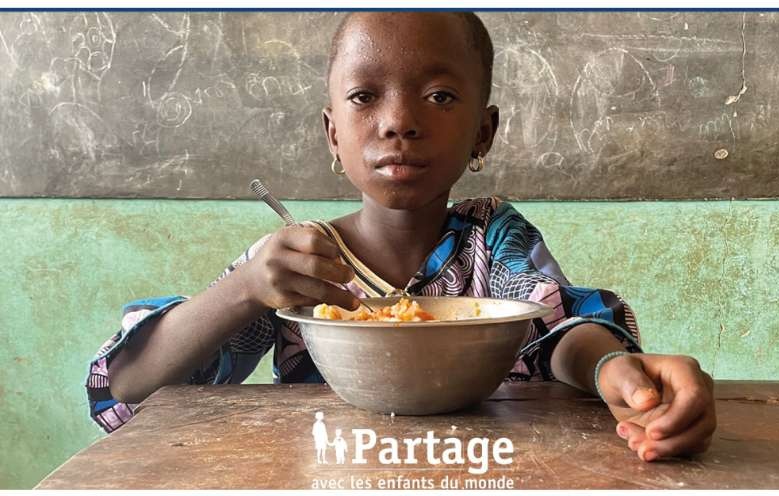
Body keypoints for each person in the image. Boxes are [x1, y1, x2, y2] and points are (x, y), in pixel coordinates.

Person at [85, 12, 715, 463]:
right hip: (324, 472)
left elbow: (555, 330)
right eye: (365, 97)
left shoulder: (490, 236)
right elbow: (127, 390)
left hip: (486, 470)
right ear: (333, 135)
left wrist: (613, 368)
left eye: (440, 96)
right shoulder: (294, 264)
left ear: (483, 134)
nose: (398, 122)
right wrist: (246, 290)